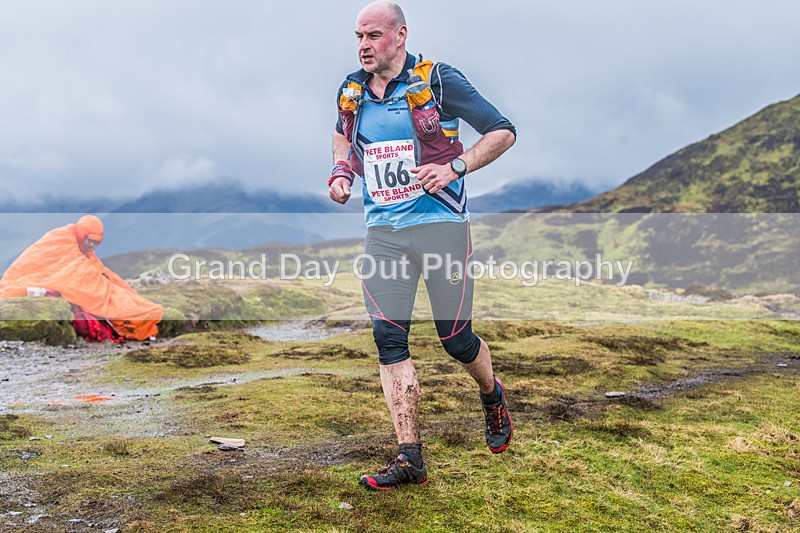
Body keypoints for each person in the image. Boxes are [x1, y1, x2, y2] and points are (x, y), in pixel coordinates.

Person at [328, 1, 516, 490]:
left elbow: (503, 130)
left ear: (400, 35)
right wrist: (341, 172)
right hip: (384, 234)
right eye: (358, 37)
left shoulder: (438, 80)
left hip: (442, 228)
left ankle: (491, 394)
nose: (364, 46)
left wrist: (456, 167)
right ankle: (409, 456)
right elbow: (343, 138)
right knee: (389, 340)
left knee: (455, 340)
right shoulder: (351, 90)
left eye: (372, 35)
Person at [0, 215, 163, 341]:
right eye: (89, 241)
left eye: (96, 243)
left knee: (113, 284)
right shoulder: (60, 240)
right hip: (29, 277)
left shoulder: (80, 246)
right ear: (81, 234)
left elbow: (94, 268)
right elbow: (72, 272)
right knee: (100, 289)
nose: (92, 246)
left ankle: (139, 314)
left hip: (54, 275)